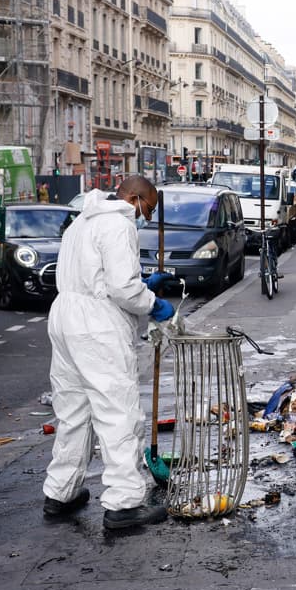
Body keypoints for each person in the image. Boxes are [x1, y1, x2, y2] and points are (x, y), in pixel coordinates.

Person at [42, 175, 177, 529]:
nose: (147, 217)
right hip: (97, 324)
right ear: (135, 199)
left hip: (66, 315)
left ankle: (61, 491)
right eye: (149, 208)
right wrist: (153, 302)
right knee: (117, 410)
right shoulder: (119, 225)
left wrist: (140, 282)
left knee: (74, 409)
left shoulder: (82, 221)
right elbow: (121, 289)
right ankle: (125, 503)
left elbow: (96, 275)